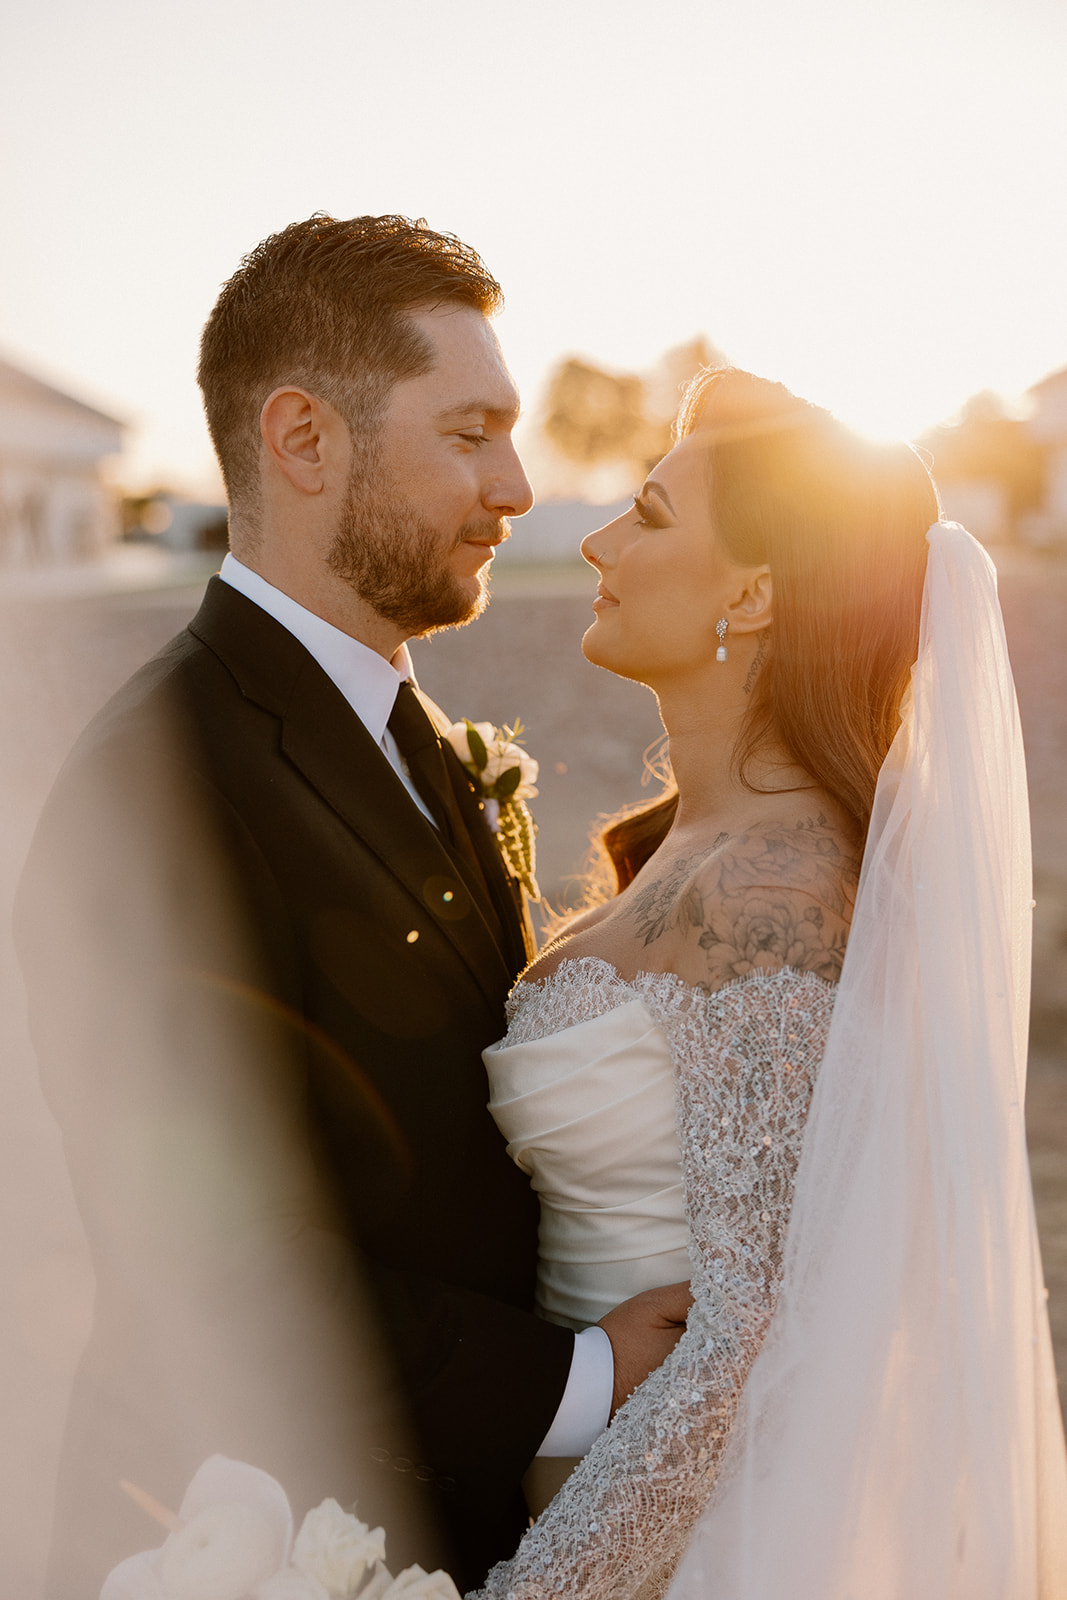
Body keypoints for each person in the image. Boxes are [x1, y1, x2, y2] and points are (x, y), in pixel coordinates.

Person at [14, 214, 688, 1598]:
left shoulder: (417, 735)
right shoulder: (156, 784)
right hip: (262, 1530)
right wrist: (583, 1376)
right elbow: (212, 1262)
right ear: (304, 439)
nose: (512, 483)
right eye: (468, 432)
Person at [469, 368, 1067, 1598]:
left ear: (751, 589)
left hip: (681, 1550)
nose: (594, 538)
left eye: (645, 512)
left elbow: (742, 1342)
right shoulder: (692, 851)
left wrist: (532, 1591)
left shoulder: (776, 899)